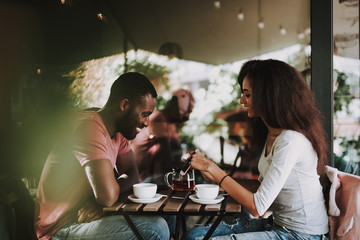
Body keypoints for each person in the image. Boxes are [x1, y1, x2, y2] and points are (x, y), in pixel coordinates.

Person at [183, 59, 329, 240]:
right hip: (278, 224)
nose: (241, 100)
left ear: (268, 96)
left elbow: (258, 206)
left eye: (248, 95)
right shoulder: (273, 135)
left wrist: (214, 170)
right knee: (193, 234)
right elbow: (262, 188)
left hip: (302, 235)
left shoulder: (291, 140)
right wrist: (214, 175)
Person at [34, 72, 173, 240]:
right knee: (155, 229)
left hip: (85, 217)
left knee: (168, 214)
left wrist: (99, 202)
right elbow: (107, 197)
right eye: (144, 114)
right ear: (124, 105)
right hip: (60, 227)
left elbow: (132, 175)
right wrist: (104, 198)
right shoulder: (88, 127)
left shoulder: (118, 129)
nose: (146, 123)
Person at [130, 89, 195, 183]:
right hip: (146, 179)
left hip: (158, 175)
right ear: (175, 107)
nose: (187, 117)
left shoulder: (171, 123)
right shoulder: (159, 118)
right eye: (185, 112)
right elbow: (166, 158)